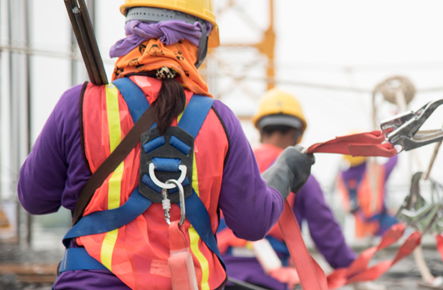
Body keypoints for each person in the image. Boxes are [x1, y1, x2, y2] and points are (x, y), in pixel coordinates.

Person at [17, 1, 315, 289]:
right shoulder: (219, 120)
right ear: (199, 43)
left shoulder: (80, 104)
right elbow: (252, 222)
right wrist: (285, 171)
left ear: (132, 33)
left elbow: (34, 198)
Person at [218, 89, 384, 290]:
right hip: (270, 278)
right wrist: (357, 273)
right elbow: (327, 234)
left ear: (261, 129)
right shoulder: (300, 176)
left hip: (220, 276)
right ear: (297, 134)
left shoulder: (232, 167)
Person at [337, 154, 399, 239]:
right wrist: (392, 144)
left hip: (361, 233)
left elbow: (346, 207)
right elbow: (393, 160)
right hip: (381, 228)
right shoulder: (376, 171)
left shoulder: (342, 177)